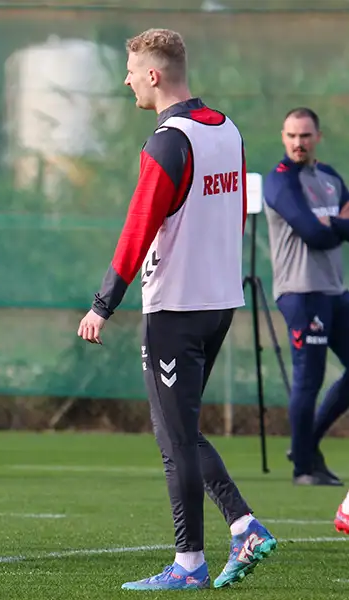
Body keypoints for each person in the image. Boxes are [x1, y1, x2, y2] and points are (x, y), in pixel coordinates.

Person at [76, 29, 276, 589]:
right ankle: (242, 526)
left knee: (174, 437)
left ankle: (191, 562)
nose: (128, 80)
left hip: (177, 307)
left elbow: (138, 228)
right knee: (178, 430)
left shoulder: (167, 141)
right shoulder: (228, 129)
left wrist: (102, 304)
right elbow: (232, 214)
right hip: (219, 302)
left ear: (155, 75)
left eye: (132, 70)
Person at [263, 107, 349, 487]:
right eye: (292, 136)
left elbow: (336, 224)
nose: (298, 143)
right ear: (283, 137)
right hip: (300, 292)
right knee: (308, 380)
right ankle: (303, 468)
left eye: (306, 136)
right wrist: (335, 227)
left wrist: (334, 225)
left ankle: (305, 444)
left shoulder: (330, 178)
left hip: (334, 290)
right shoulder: (279, 182)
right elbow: (312, 233)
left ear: (318, 137)